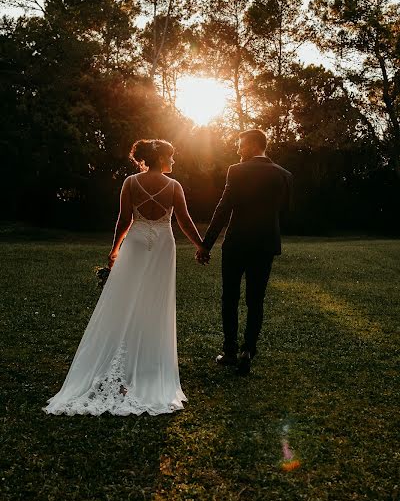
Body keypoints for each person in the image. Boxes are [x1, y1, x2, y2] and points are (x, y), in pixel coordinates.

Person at [43, 139, 204, 416]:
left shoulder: (131, 182)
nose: (173, 162)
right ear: (162, 157)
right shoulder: (174, 186)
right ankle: (147, 366)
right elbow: (185, 220)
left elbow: (124, 219)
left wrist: (115, 248)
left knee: (124, 297)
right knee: (155, 301)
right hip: (164, 244)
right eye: (172, 157)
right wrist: (201, 245)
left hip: (137, 242)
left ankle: (122, 359)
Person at [196, 129, 293, 376]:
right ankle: (248, 351)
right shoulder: (284, 175)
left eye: (240, 145)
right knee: (255, 300)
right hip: (265, 244)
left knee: (230, 297)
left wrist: (206, 245)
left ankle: (230, 351)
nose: (238, 150)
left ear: (251, 145)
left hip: (237, 243)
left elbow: (223, 209)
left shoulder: (236, 171)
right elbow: (285, 210)